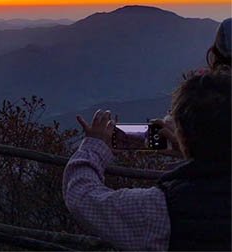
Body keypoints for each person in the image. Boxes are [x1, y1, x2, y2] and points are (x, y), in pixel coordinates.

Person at [62, 69, 231, 251]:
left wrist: (95, 147)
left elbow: (83, 198)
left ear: (181, 133)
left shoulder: (160, 209)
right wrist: (185, 149)